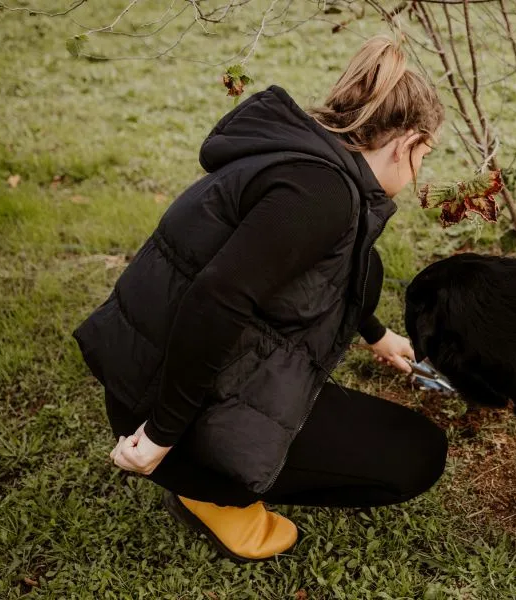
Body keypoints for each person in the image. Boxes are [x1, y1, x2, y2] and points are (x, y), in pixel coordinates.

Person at [72, 35, 448, 562]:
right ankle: (215, 491)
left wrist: (377, 335)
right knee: (418, 453)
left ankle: (198, 462)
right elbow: (214, 302)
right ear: (408, 140)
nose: (419, 172)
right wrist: (161, 436)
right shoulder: (321, 196)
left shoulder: (303, 157)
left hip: (146, 371)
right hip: (164, 411)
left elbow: (337, 267)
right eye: (423, 156)